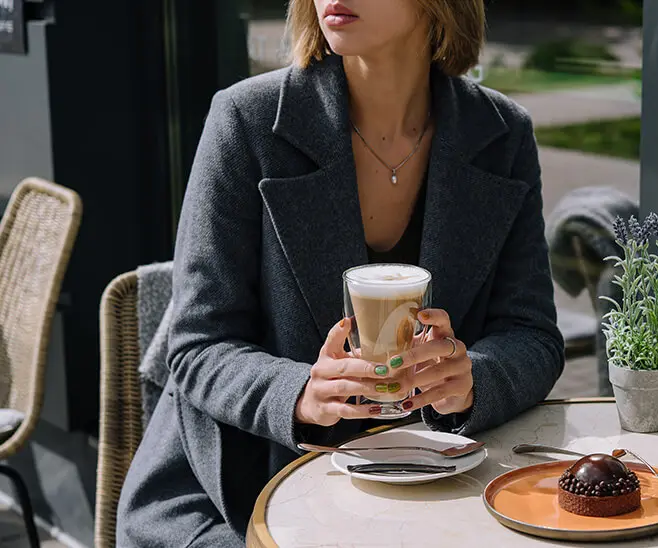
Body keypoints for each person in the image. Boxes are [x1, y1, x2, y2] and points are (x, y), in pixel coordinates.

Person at [116, 0, 564, 545]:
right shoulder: (247, 120)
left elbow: (532, 335)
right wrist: (301, 394)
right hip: (234, 493)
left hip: (433, 485)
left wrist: (471, 381)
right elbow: (197, 345)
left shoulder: (500, 134)